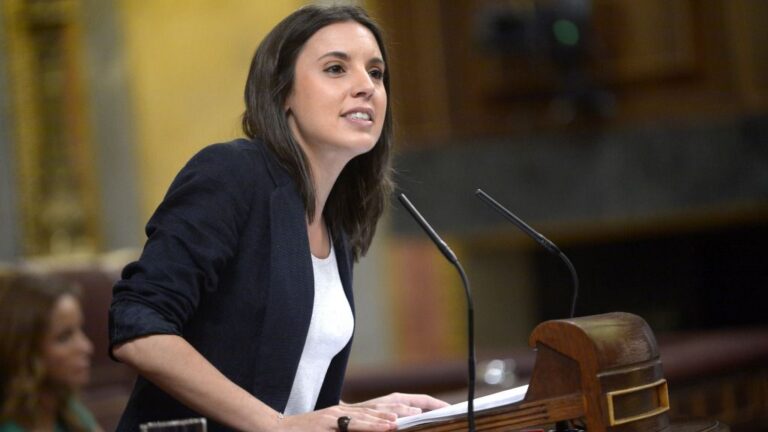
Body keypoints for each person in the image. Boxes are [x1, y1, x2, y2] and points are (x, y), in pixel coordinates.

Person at [109, 4, 448, 431]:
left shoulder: (331, 220)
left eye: (376, 73)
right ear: (282, 91)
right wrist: (273, 425)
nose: (366, 86)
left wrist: (358, 410)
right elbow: (137, 322)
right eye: (336, 69)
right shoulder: (232, 173)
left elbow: (279, 394)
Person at [0, 272, 99, 432]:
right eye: (64, 337)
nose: (86, 347)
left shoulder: (67, 408)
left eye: (80, 330)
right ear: (25, 350)